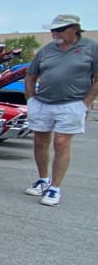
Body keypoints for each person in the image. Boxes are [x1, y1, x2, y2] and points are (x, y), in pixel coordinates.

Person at [23, 13, 98, 206]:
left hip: (72, 103)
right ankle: (43, 180)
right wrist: (31, 100)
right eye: (52, 30)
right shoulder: (46, 50)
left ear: (74, 29)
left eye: (59, 29)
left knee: (61, 142)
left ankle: (55, 188)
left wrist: (85, 102)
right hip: (43, 102)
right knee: (40, 141)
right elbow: (31, 76)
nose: (54, 33)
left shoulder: (91, 47)